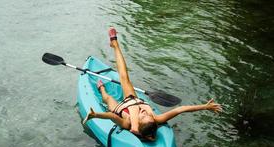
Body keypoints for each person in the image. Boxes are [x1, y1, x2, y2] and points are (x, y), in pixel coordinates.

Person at [83, 27, 222, 141]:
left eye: (143, 117)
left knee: (108, 98)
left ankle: (101, 88)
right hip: (132, 99)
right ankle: (115, 45)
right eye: (148, 115)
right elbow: (181, 109)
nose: (144, 113)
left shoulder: (127, 123)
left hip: (119, 109)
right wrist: (205, 106)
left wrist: (96, 115)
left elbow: (112, 116)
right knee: (124, 76)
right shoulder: (157, 118)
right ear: (154, 121)